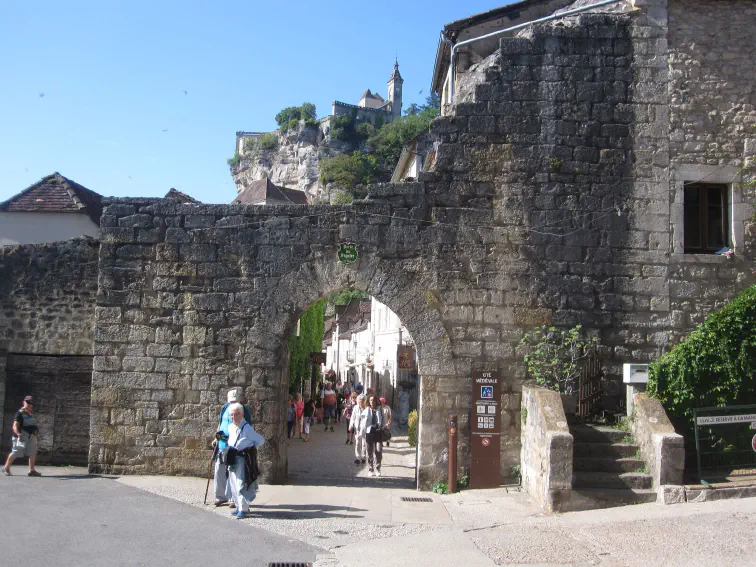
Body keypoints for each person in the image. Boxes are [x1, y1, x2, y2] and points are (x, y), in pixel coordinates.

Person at [212, 388, 251, 507]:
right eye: (231, 401)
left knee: (233, 471)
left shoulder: (243, 410)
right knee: (219, 469)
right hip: (222, 444)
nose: (232, 403)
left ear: (239, 400)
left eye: (234, 401)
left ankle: (234, 498)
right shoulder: (225, 407)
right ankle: (220, 497)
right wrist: (216, 437)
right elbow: (221, 422)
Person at [224, 403, 264, 519]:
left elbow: (260, 440)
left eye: (236, 415)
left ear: (241, 414)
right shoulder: (231, 426)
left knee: (242, 483)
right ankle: (238, 506)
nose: (233, 417)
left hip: (242, 459)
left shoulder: (247, 428)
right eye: (231, 415)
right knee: (233, 483)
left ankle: (244, 509)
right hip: (233, 457)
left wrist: (250, 448)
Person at [3, 396, 41, 477]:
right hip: (21, 436)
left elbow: (33, 424)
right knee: (16, 452)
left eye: (30, 403)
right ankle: (6, 467)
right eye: (27, 402)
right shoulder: (20, 413)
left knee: (32, 452)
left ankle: (32, 470)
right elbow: (15, 425)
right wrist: (18, 434)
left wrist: (36, 434)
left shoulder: (31, 413)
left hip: (31, 435)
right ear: (23, 402)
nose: (29, 404)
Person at [364, 394, 386, 477]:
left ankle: (377, 468)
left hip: (378, 432)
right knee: (369, 451)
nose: (372, 402)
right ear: (368, 401)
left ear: (376, 401)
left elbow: (383, 419)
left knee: (378, 450)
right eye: (370, 400)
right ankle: (370, 469)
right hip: (369, 432)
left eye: (373, 400)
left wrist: (383, 427)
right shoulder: (366, 410)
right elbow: (363, 421)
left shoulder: (380, 409)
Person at [349, 394, 368, 465]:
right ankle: (357, 457)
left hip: (364, 429)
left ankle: (363, 457)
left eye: (363, 401)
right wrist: (351, 425)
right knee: (357, 443)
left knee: (364, 443)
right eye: (360, 400)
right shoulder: (355, 408)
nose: (361, 402)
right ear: (358, 401)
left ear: (365, 401)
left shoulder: (367, 408)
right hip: (357, 428)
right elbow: (352, 417)